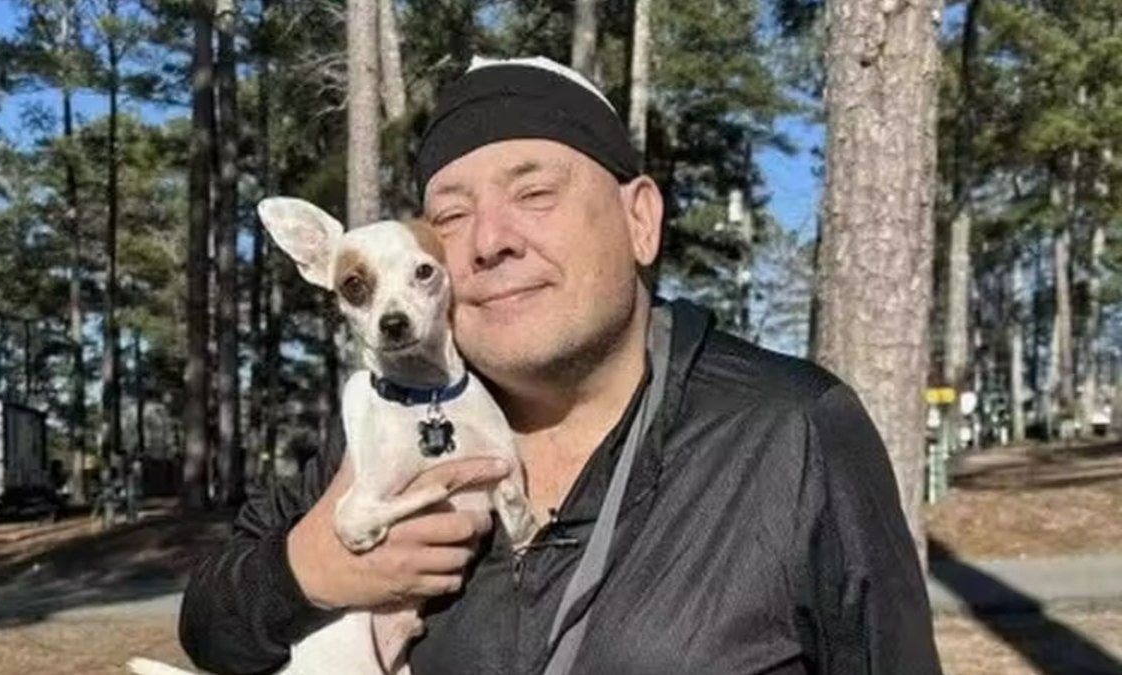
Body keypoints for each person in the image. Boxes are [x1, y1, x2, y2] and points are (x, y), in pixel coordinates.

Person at [179, 55, 943, 675]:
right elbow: (209, 625)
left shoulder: (793, 432)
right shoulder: (396, 422)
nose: (490, 240)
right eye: (451, 215)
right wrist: (303, 571)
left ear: (640, 220)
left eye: (535, 191)